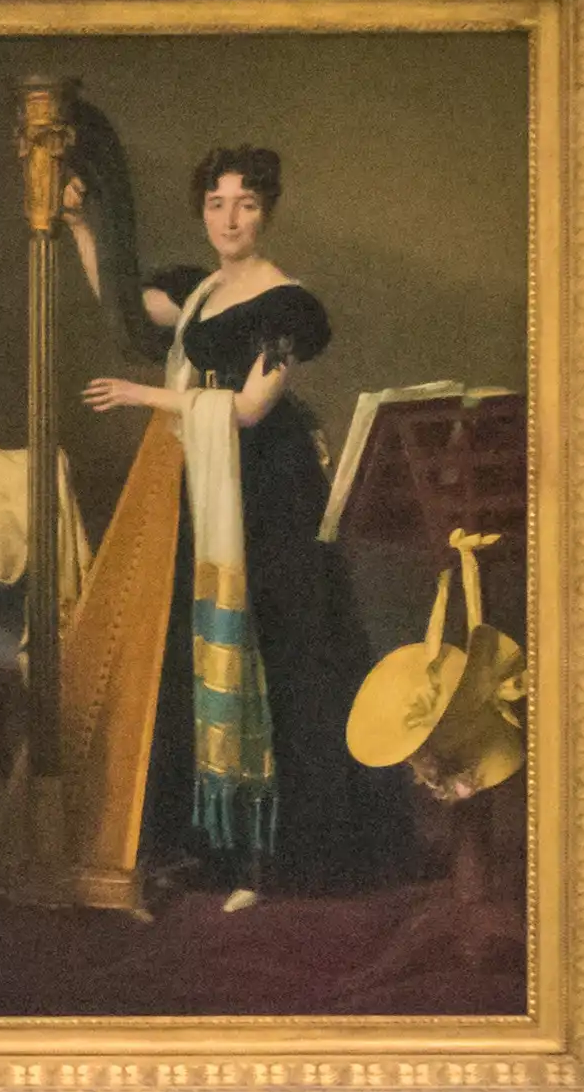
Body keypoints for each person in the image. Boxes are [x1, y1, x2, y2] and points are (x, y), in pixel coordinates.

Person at [73, 144, 418, 904]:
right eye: (216, 204)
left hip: (272, 491)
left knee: (279, 653)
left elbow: (249, 409)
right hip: (211, 485)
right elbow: (128, 314)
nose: (229, 219)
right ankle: (218, 848)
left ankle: (278, 859)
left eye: (246, 204)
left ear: (268, 211)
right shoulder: (199, 293)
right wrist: (80, 225)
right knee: (204, 655)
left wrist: (142, 398)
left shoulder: (285, 303)